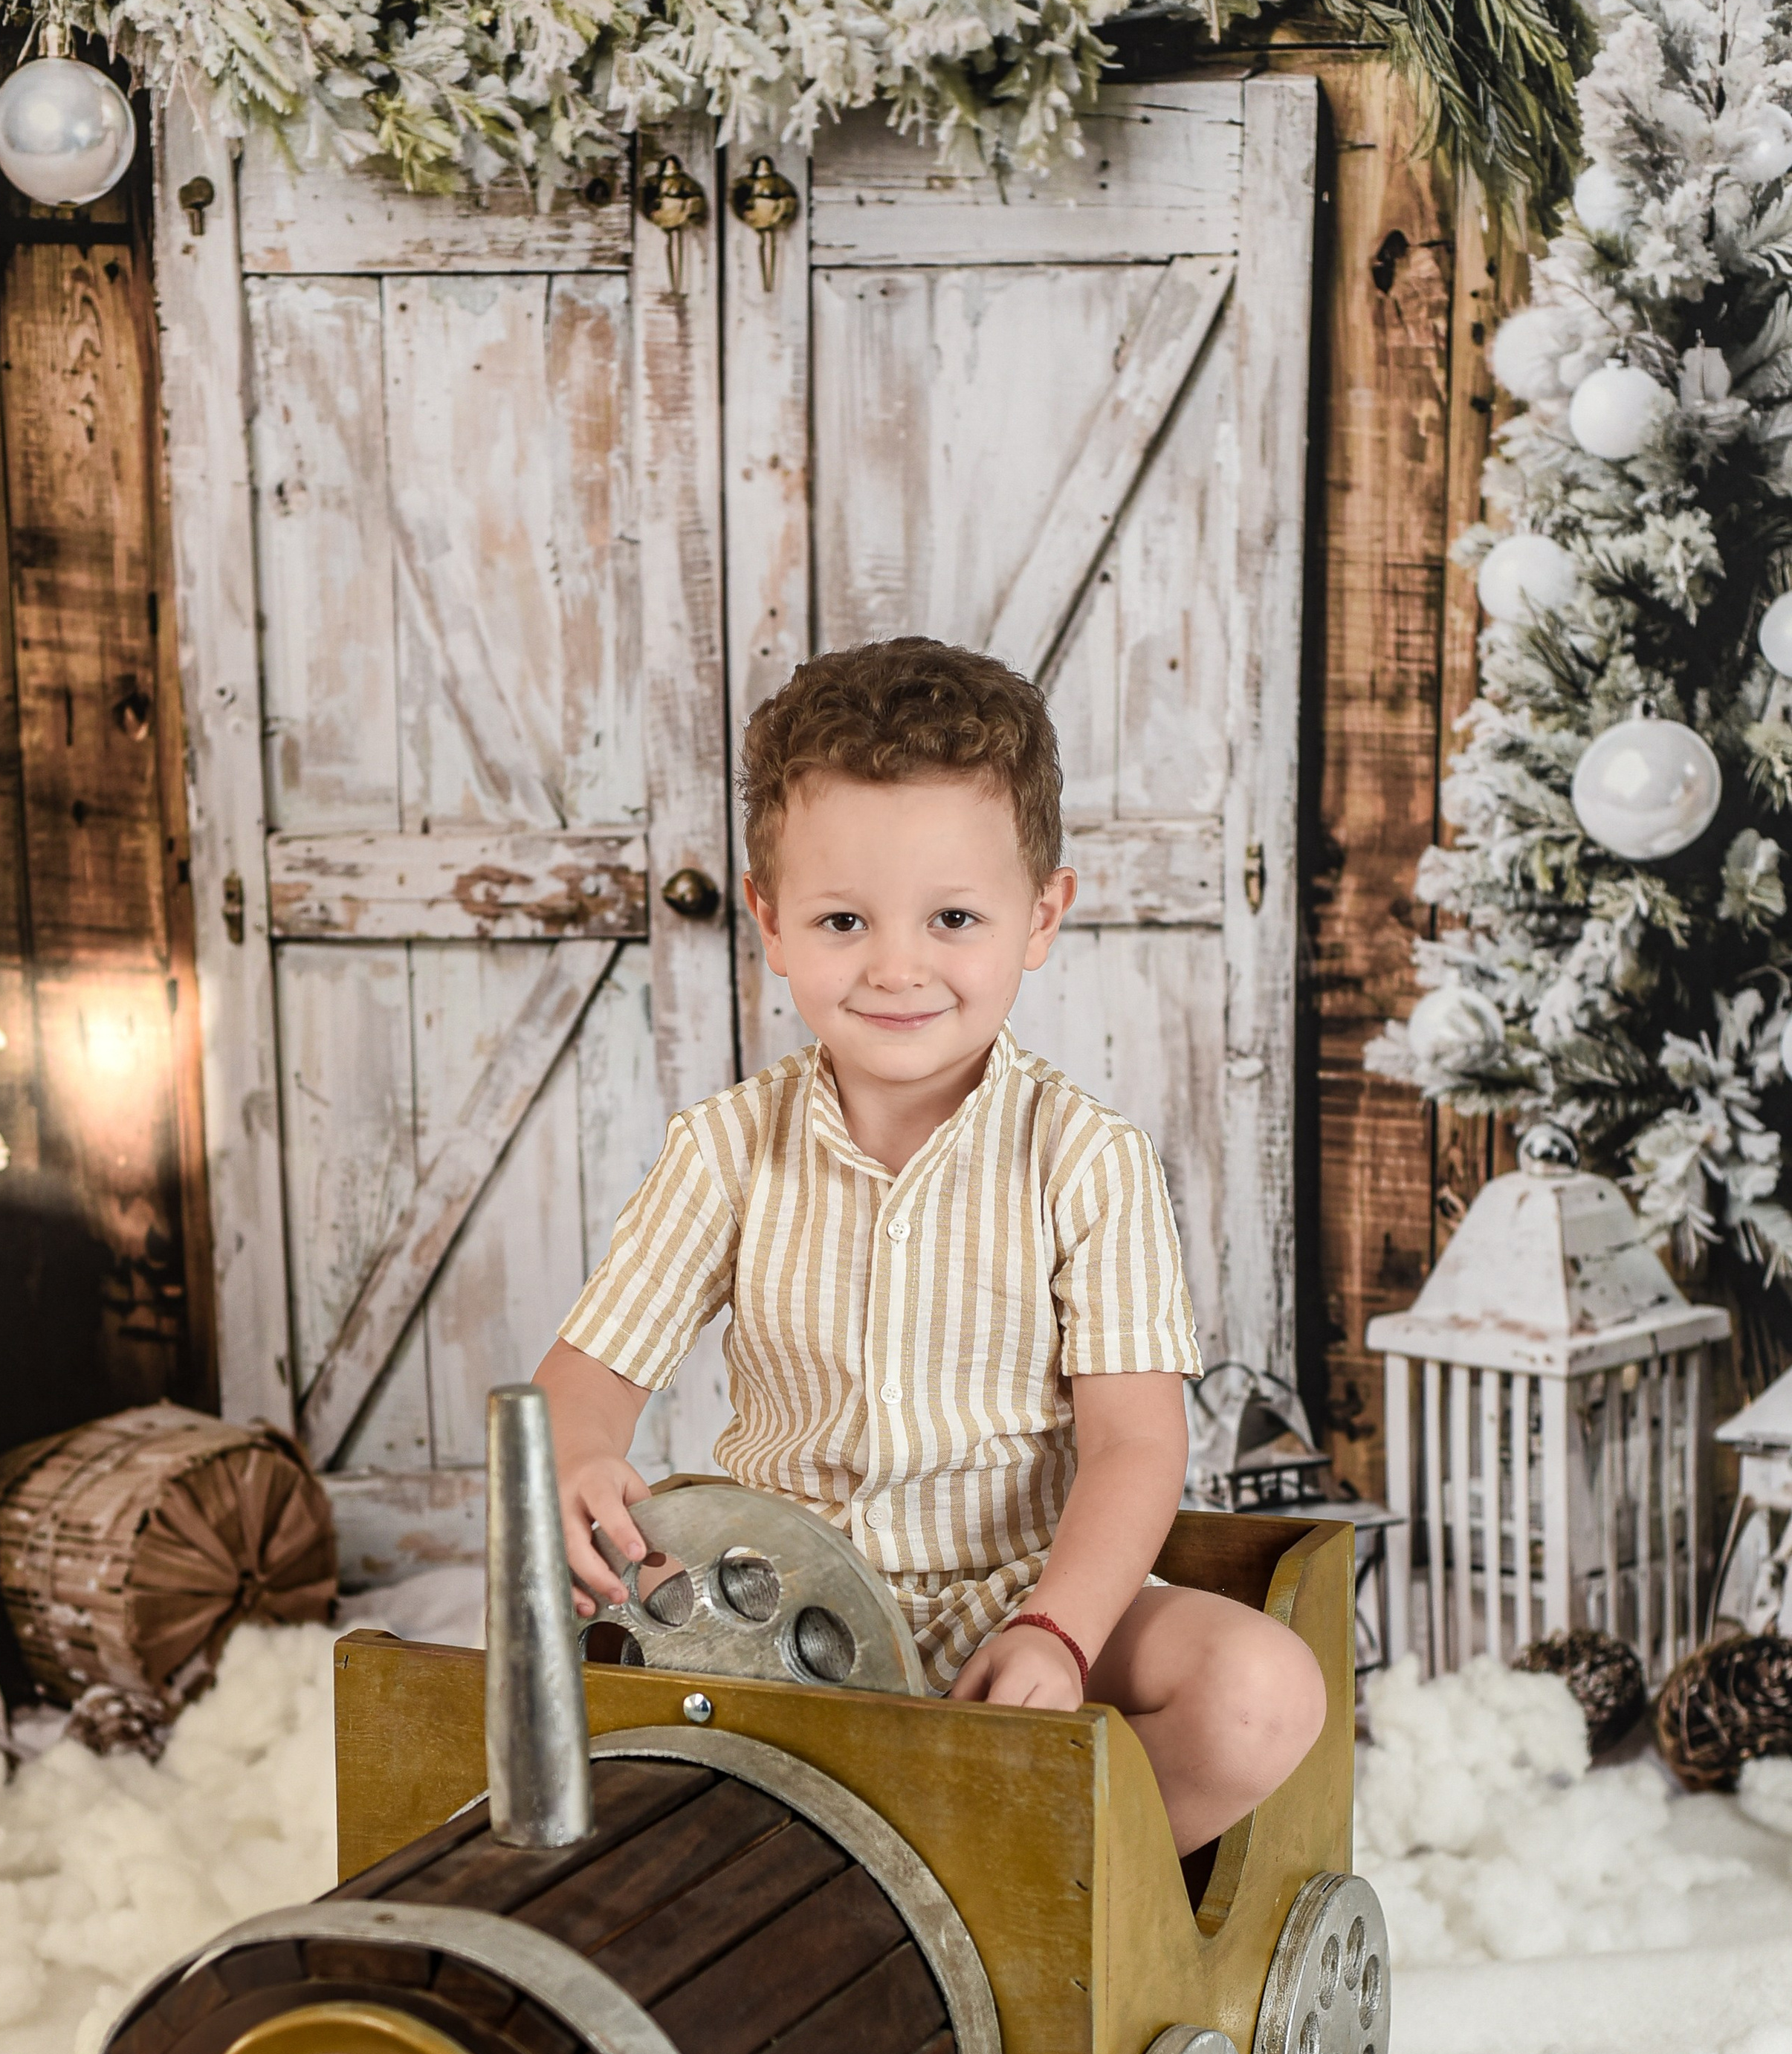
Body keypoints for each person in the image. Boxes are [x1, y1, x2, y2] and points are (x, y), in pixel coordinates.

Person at [532, 638, 1324, 1859]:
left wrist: (1059, 1631)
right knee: (541, 1682)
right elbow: (582, 1387)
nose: (898, 966)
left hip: (1005, 1600)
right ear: (771, 923)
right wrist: (580, 1456)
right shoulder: (728, 1151)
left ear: (1040, 917)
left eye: (953, 917)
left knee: (1263, 1692)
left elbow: (1133, 1442)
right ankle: (791, 1877)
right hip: (765, 1613)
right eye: (844, 918)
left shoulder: (1084, 1158)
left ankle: (1008, 1877)